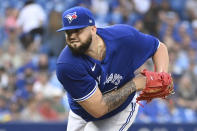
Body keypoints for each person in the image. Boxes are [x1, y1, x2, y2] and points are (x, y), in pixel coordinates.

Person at [56, 6, 169, 131]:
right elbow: (98, 109)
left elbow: (158, 47)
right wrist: (135, 85)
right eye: (68, 32)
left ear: (93, 29)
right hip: (82, 112)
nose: (72, 36)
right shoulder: (67, 64)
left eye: (78, 31)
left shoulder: (123, 38)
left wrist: (161, 76)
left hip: (119, 110)